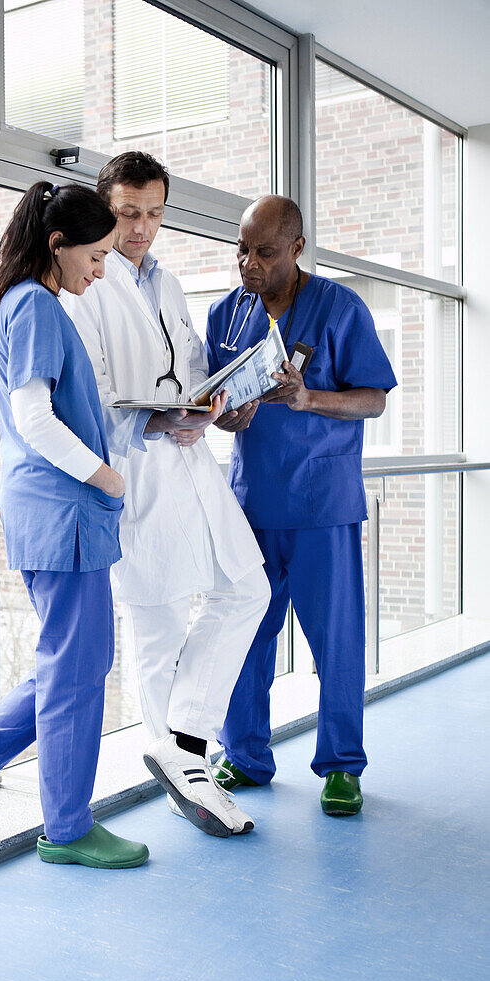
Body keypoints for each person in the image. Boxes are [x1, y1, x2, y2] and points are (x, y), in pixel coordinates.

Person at [0, 181, 149, 869]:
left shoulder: (31, 305)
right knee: (76, 669)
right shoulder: (35, 307)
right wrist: (107, 478)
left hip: (60, 514)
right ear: (58, 244)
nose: (101, 269)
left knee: (73, 662)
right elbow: (34, 419)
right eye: (97, 255)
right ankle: (68, 828)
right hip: (63, 513)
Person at [62, 152, 270, 839]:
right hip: (134, 467)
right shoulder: (84, 287)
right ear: (105, 208)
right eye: (128, 213)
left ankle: (180, 746)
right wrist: (145, 419)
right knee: (155, 626)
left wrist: (221, 399)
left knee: (246, 587)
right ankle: (190, 777)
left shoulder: (170, 284)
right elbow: (85, 393)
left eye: (153, 213)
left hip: (190, 458)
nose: (142, 227)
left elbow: (186, 366)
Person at [206, 195, 398, 816]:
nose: (248, 264)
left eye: (263, 252)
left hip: (323, 505)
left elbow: (374, 399)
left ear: (295, 248)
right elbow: (222, 413)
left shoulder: (341, 309)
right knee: (246, 638)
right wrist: (229, 417)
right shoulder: (225, 316)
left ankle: (342, 766)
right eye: (241, 250)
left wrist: (308, 399)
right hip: (253, 504)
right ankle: (246, 755)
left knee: (335, 641)